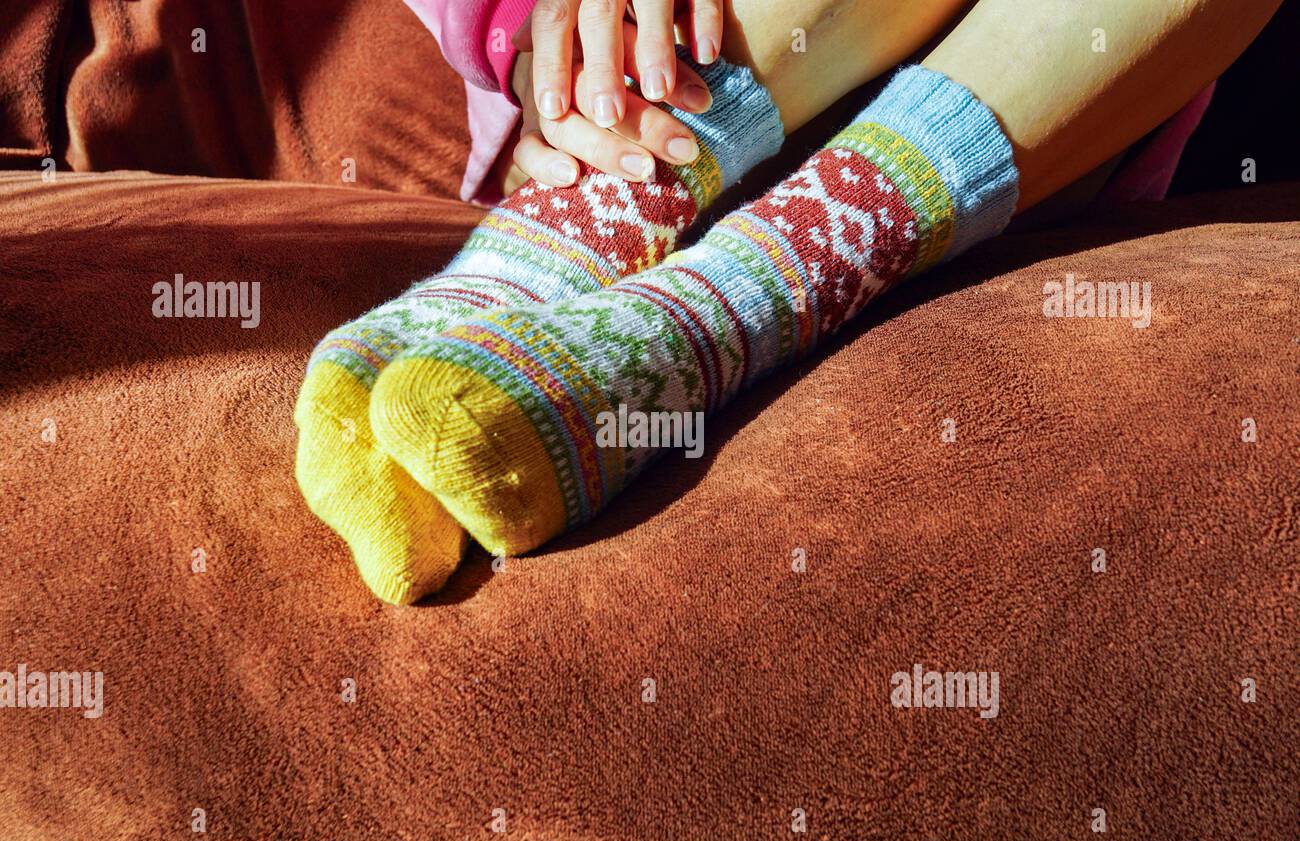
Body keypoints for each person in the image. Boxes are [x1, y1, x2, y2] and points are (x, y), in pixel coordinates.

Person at [295, 0, 1282, 604]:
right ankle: (568, 246)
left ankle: (727, 293)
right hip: (690, 75)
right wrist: (517, 19)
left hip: (1025, 99)